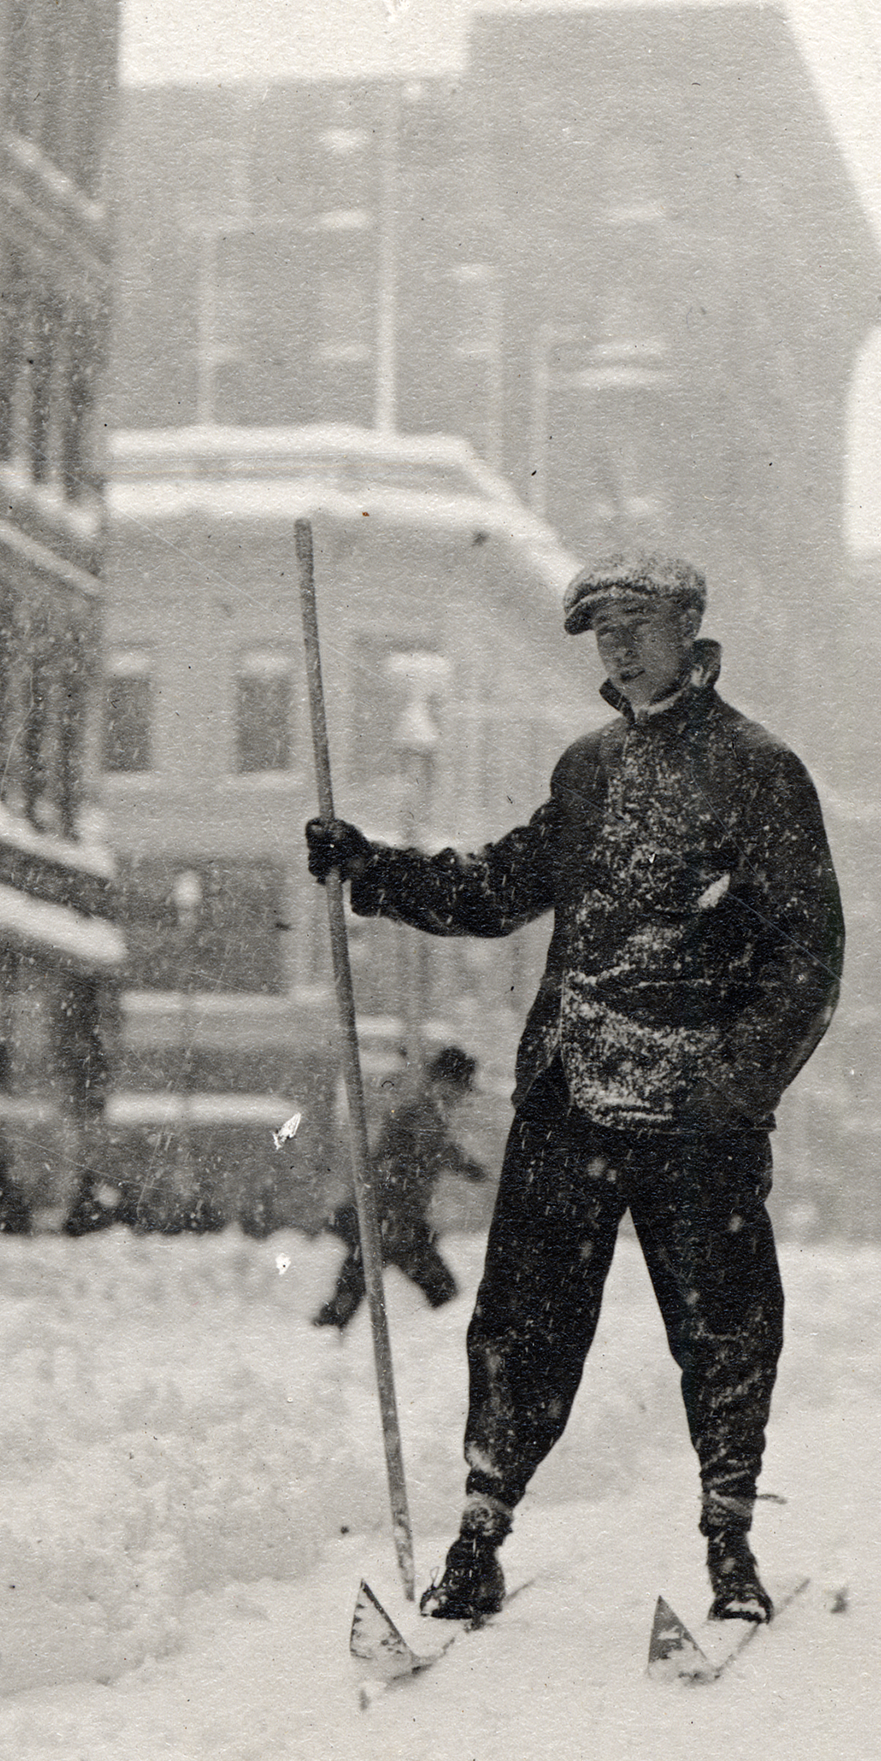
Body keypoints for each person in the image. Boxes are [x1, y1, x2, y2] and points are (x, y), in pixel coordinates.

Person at [304, 551, 844, 1629]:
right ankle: (479, 1536)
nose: (616, 642)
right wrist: (375, 868)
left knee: (726, 1325)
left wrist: (736, 1081)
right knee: (522, 1322)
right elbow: (500, 884)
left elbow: (810, 955)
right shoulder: (588, 772)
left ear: (690, 628)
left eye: (635, 621)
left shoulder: (759, 771)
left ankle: (730, 1537)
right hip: (575, 1094)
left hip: (697, 1114)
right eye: (601, 626)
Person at [313, 1044, 487, 1328]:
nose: (458, 1098)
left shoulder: (426, 1114)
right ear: (440, 1082)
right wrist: (473, 1168)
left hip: (385, 1218)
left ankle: (322, 1336)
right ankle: (445, 1344)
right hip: (391, 1220)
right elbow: (437, 1148)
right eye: (456, 1089)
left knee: (353, 1287)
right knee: (443, 1292)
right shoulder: (421, 1115)